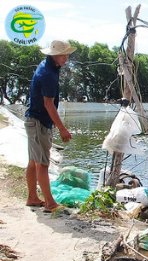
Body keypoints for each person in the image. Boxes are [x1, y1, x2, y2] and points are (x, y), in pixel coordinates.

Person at [24, 40, 76, 212]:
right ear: (53, 55)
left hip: (35, 120)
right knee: (42, 163)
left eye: (67, 54)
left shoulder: (48, 67)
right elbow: (48, 104)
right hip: (38, 122)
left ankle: (32, 197)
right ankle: (50, 203)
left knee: (33, 162)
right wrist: (61, 128)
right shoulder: (48, 74)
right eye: (63, 55)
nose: (66, 58)